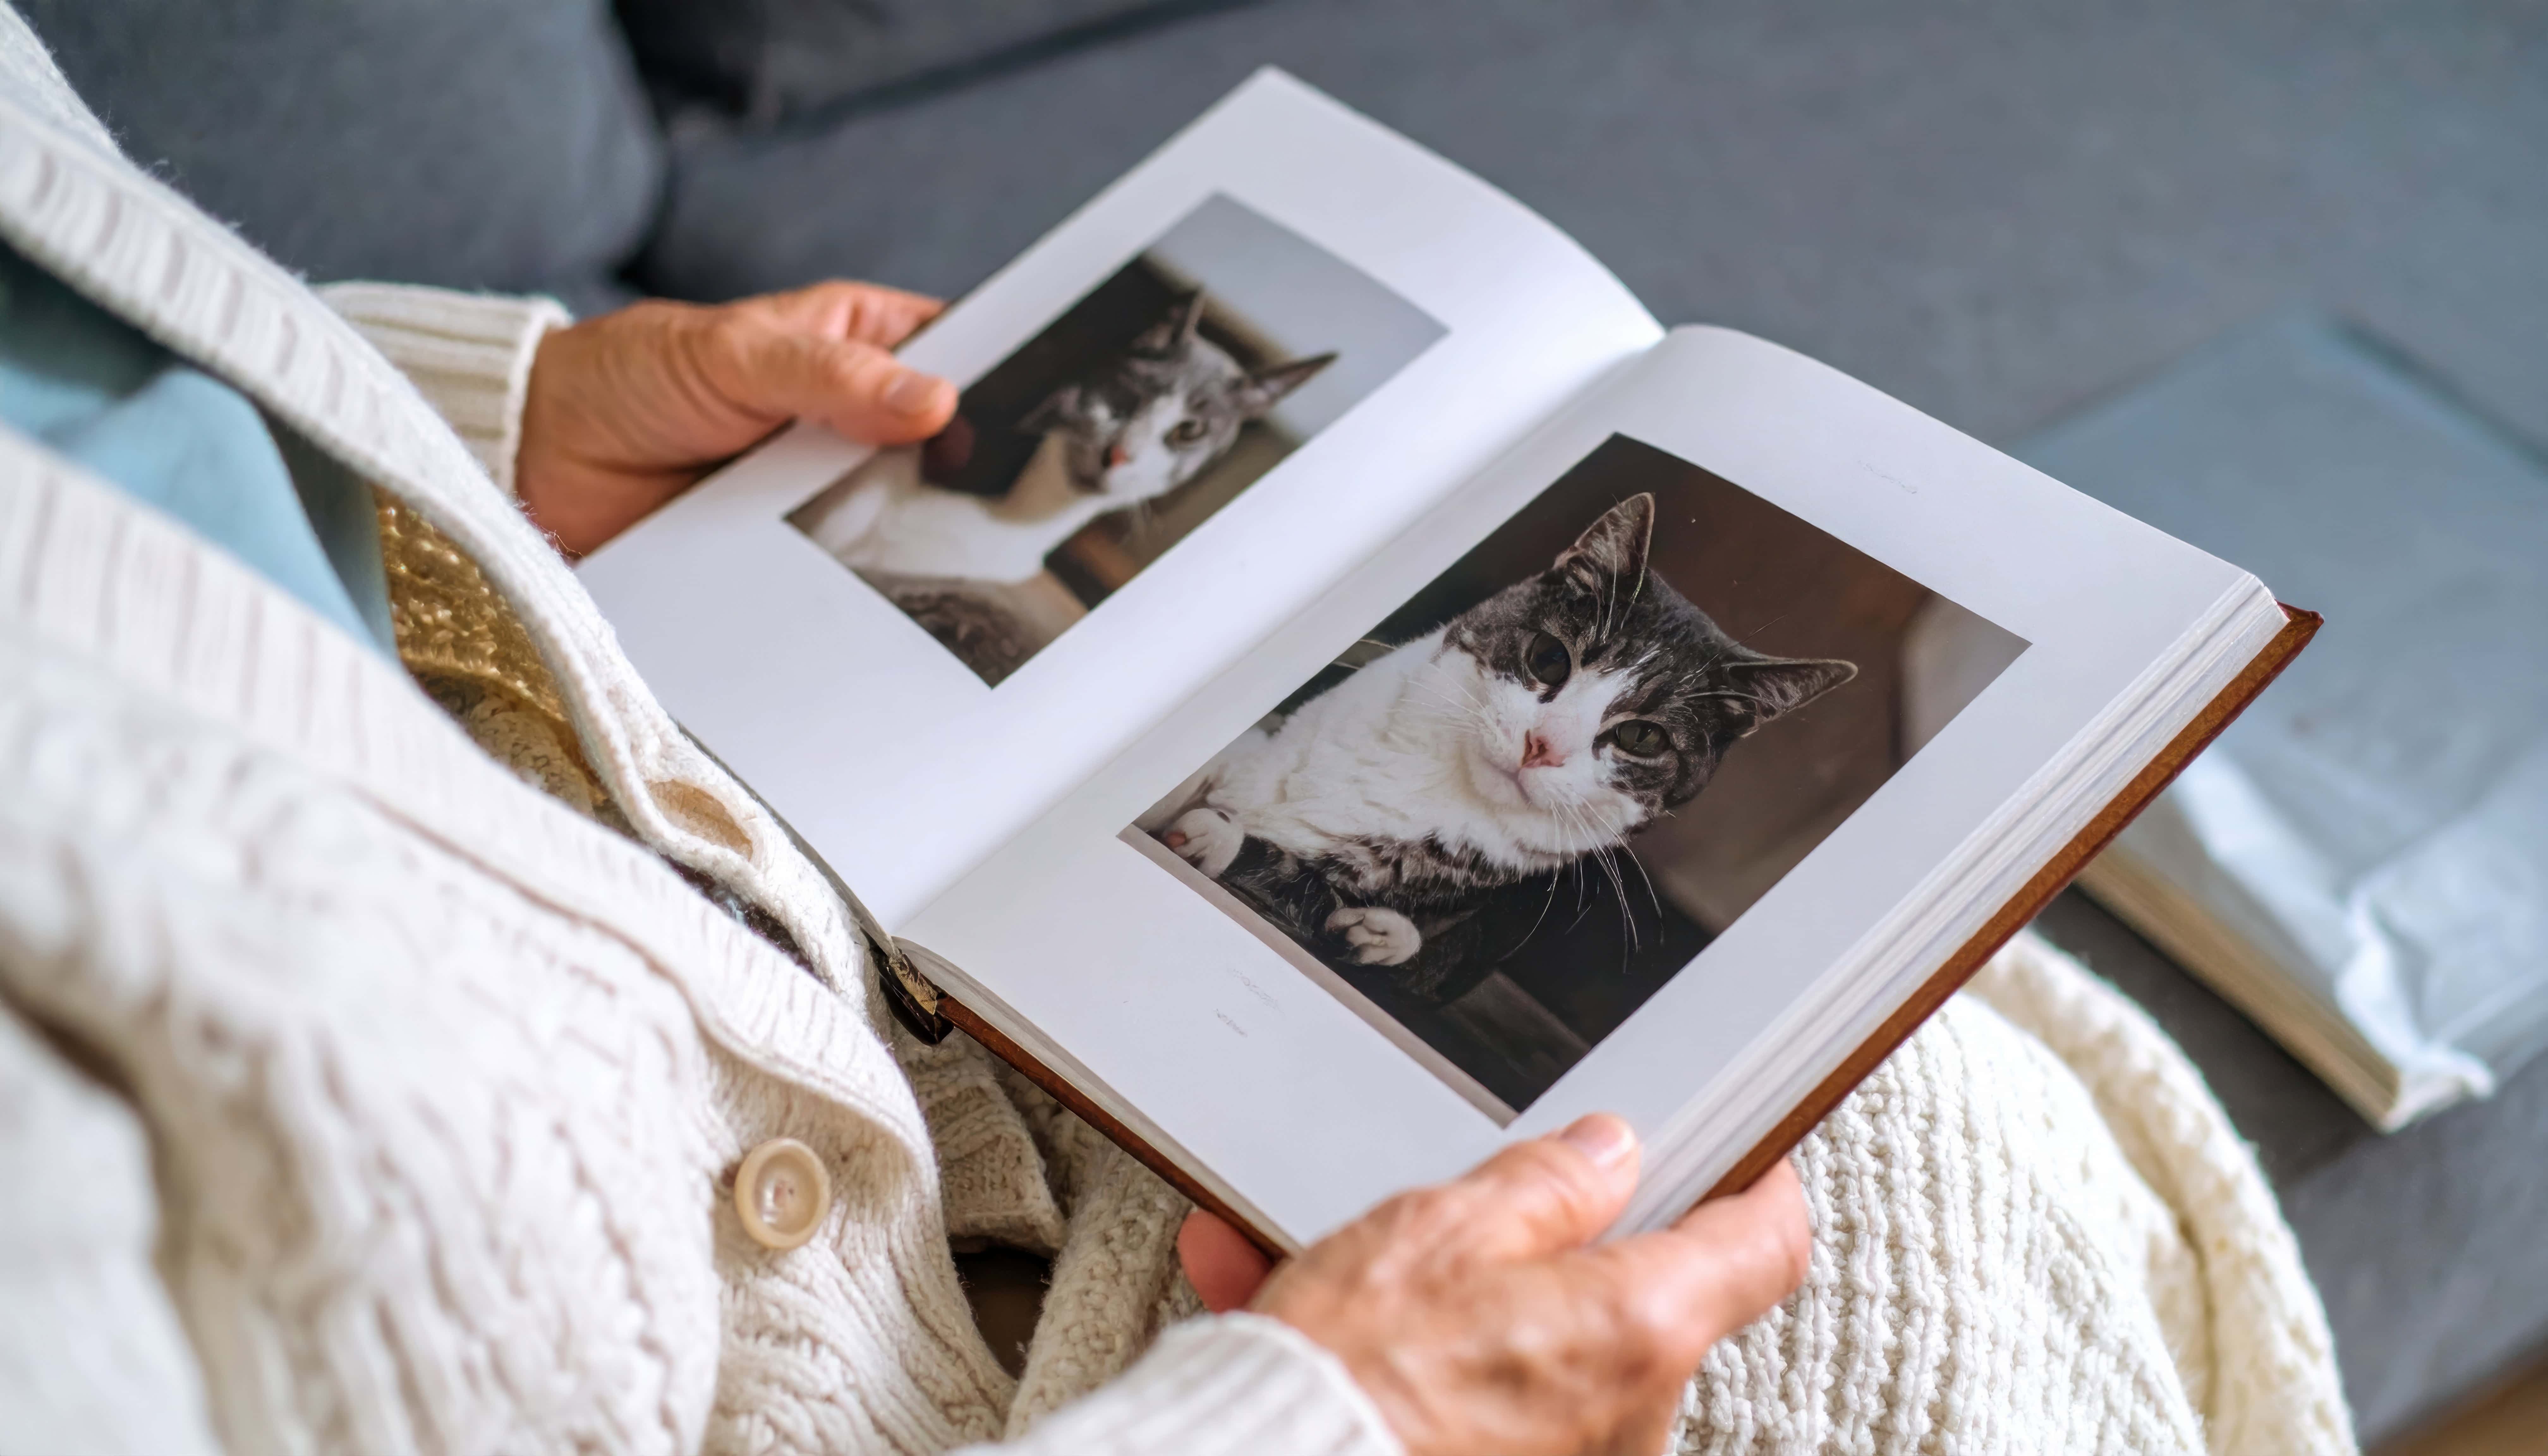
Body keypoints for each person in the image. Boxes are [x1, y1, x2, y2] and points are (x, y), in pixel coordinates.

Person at [0, 9, 2351, 1454]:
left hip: (695, 792)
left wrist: (450, 422)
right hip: (785, 1237)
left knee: (1885, 1146)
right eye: (1557, 685)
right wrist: (1330, 1417)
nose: (1559, 752)